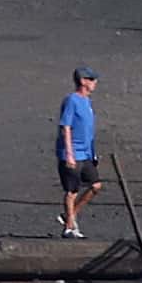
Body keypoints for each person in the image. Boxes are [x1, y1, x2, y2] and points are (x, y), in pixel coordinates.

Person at [55, 66, 99, 237]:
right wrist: (69, 154)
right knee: (72, 191)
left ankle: (70, 215)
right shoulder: (72, 100)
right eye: (92, 79)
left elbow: (89, 130)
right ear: (83, 81)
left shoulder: (87, 101)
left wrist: (93, 153)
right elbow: (65, 126)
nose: (95, 83)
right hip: (72, 153)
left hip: (86, 153)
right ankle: (69, 227)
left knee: (95, 186)